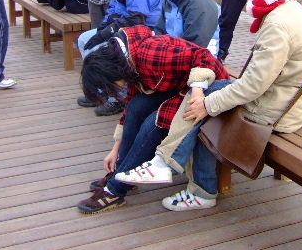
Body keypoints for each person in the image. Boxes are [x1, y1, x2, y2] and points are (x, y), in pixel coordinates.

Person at [117, 0, 302, 211]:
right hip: (284, 97)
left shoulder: (278, 25)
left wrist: (208, 104)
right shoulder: (289, 9)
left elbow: (253, 86)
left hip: (278, 111)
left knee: (205, 105)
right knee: (203, 93)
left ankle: (188, 181)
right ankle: (168, 166)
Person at [76, 25, 229, 214]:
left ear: (111, 72)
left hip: (209, 88)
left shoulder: (150, 53)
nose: (112, 91)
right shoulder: (129, 62)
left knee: (154, 124)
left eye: (108, 86)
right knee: (135, 107)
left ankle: (115, 190)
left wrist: (197, 91)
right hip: (180, 87)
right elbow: (130, 105)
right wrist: (116, 149)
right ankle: (121, 172)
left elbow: (203, 55)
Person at [76, 0, 163, 115]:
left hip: (147, 30)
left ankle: (118, 97)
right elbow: (116, 6)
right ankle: (99, 90)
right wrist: (103, 27)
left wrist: (106, 34)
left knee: (105, 49)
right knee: (85, 40)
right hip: (126, 25)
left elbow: (137, 18)